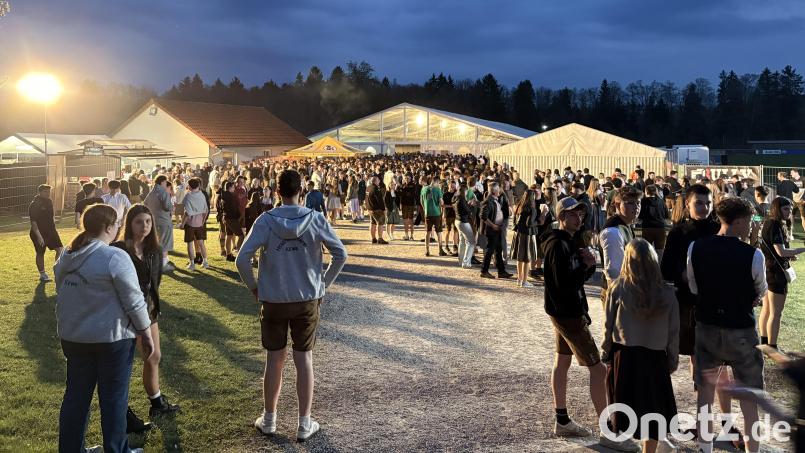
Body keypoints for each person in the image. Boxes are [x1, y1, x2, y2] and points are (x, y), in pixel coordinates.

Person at [235, 169, 347, 442]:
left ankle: (270, 419)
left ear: (276, 192)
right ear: (303, 192)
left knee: (275, 358)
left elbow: (242, 259)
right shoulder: (315, 218)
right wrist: (323, 284)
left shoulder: (266, 220)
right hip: (306, 298)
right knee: (303, 359)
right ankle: (303, 422)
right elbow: (340, 254)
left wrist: (254, 286)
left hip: (273, 298)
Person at [55, 204, 153, 453]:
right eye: (117, 223)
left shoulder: (67, 255)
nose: (119, 226)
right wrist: (145, 331)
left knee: (76, 398)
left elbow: (62, 286)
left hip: (74, 337)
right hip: (111, 339)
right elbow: (134, 299)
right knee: (113, 399)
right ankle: (116, 450)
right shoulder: (113, 257)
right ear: (109, 227)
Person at [541, 197, 637, 451]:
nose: (579, 218)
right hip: (568, 314)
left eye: (580, 214)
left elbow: (572, 281)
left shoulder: (568, 242)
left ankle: (562, 420)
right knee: (598, 370)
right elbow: (563, 286)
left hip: (565, 312)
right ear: (561, 217)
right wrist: (585, 266)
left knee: (562, 362)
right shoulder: (557, 245)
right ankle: (609, 431)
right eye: (573, 215)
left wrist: (586, 266)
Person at [687, 197, 767, 453]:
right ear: (740, 221)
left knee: (705, 395)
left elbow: (693, 286)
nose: (751, 227)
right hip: (740, 329)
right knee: (749, 396)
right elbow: (761, 291)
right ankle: (752, 449)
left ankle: (706, 448)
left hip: (708, 324)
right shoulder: (753, 254)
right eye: (750, 221)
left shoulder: (695, 247)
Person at [602, 238, 679, 453]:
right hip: (655, 358)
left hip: (625, 356)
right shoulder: (667, 293)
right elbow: (674, 331)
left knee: (629, 410)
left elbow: (608, 324)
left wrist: (606, 349)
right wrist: (672, 358)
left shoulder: (618, 287)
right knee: (653, 412)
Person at [111, 204, 181, 434]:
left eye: (148, 222)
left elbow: (155, 284)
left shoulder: (154, 250)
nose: (145, 226)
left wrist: (152, 309)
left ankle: (157, 403)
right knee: (123, 365)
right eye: (139, 221)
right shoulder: (119, 249)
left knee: (154, 356)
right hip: (124, 314)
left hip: (148, 311)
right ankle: (123, 412)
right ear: (130, 223)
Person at [759, 197, 805, 350]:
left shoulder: (770, 223)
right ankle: (772, 346)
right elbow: (781, 251)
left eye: (790, 209)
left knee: (767, 309)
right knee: (776, 313)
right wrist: (801, 249)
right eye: (785, 209)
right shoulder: (774, 225)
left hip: (768, 269)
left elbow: (776, 251)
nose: (789, 212)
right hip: (775, 273)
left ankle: (764, 342)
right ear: (777, 209)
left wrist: (790, 254)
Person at [600, 186, 642, 298]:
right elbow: (614, 272)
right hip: (619, 292)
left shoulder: (626, 224)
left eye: (638, 203)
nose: (636, 207)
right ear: (618, 205)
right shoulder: (613, 231)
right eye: (631, 203)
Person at [29, 184, 63, 282]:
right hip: (38, 233)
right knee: (40, 253)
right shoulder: (34, 204)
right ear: (39, 192)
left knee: (60, 249)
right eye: (45, 192)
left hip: (51, 231)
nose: (48, 193)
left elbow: (51, 215)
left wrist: (54, 225)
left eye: (49, 192)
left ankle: (57, 270)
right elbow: (33, 223)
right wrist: (39, 237)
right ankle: (43, 274)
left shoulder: (49, 201)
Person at [479, 183, 513, 279]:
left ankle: (501, 271)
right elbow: (483, 216)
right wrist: (493, 225)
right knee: (490, 250)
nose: (500, 190)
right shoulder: (489, 201)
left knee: (498, 250)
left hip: (497, 229)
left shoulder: (495, 199)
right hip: (492, 230)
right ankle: (484, 271)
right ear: (494, 191)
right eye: (498, 189)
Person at [143, 175, 175, 271]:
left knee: (156, 243)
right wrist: (172, 207)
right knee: (165, 243)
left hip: (153, 221)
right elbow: (168, 207)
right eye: (165, 183)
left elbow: (145, 204)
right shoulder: (163, 193)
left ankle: (158, 262)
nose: (166, 184)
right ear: (162, 182)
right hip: (164, 221)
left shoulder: (151, 192)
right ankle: (163, 264)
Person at [511, 189, 539, 287]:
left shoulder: (519, 206)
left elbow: (515, 220)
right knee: (527, 258)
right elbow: (530, 223)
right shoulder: (532, 209)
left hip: (518, 233)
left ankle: (519, 279)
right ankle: (525, 281)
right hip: (527, 235)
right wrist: (538, 222)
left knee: (519, 257)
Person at [181, 177, 210, 270]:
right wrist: (203, 221)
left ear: (189, 186)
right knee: (201, 243)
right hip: (199, 223)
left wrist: (182, 224)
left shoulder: (188, 196)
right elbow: (206, 210)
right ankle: (205, 262)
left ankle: (192, 263)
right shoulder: (202, 195)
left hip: (190, 224)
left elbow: (187, 213)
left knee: (190, 244)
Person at [638, 185, 668, 261]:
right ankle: (659, 267)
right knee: (660, 250)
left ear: (646, 191)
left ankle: (648, 266)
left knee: (647, 249)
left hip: (647, 227)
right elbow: (666, 215)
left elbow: (640, 215)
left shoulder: (643, 201)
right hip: (660, 227)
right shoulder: (661, 201)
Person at [421, 177, 446, 256]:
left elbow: (421, 201)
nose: (439, 184)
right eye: (439, 183)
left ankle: (427, 250)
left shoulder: (424, 189)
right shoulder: (438, 190)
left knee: (428, 232)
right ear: (436, 182)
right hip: (436, 213)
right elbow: (441, 202)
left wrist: (426, 209)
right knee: (439, 232)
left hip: (427, 213)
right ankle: (440, 250)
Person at [453, 183, 476, 269]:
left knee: (462, 241)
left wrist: (468, 204)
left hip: (457, 221)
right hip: (463, 222)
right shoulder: (461, 199)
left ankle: (461, 261)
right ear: (464, 191)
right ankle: (466, 263)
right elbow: (468, 212)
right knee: (471, 242)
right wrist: (471, 205)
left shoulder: (456, 198)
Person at [365, 175, 388, 244]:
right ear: (375, 181)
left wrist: (367, 207)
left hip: (370, 209)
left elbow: (366, 199)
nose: (379, 181)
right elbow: (380, 200)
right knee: (380, 223)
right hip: (377, 209)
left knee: (372, 223)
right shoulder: (376, 189)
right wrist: (383, 209)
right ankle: (380, 238)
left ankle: (373, 238)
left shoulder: (368, 188)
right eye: (378, 180)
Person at [399, 174, 418, 240]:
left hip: (411, 205)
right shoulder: (403, 185)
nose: (406, 179)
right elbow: (401, 195)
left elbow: (412, 194)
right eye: (405, 178)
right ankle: (406, 235)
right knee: (405, 220)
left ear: (410, 178)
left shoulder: (413, 185)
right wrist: (400, 204)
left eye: (408, 178)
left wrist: (405, 191)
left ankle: (412, 235)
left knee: (411, 220)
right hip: (404, 205)